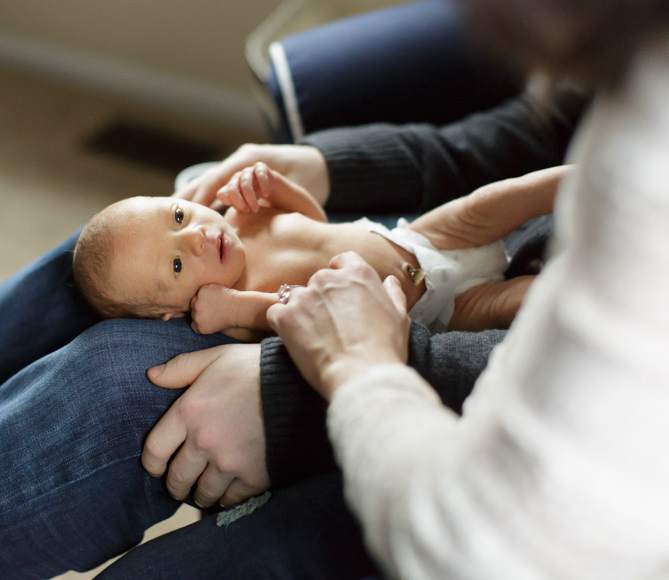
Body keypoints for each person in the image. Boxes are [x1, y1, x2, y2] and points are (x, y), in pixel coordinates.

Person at [0, 5, 589, 580]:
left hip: (502, 367)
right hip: (425, 248)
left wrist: (302, 387)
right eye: (182, 251)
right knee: (96, 254)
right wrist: (324, 170)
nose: (197, 230)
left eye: (187, 221)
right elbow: (527, 135)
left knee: (123, 383)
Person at [260, 0, 669, 578]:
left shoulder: (650, 163)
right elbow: (556, 120)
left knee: (120, 396)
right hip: (442, 270)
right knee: (96, 273)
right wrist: (329, 166)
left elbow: (477, 545)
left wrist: (353, 370)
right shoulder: (633, 75)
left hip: (441, 371)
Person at [74, 164, 569, 338]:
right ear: (171, 312)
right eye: (177, 263)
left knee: (496, 199)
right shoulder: (236, 310)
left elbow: (315, 221)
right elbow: (302, 313)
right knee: (525, 299)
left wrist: (277, 186)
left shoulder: (243, 214)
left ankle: (594, 178)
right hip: (439, 310)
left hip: (418, 239)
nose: (196, 236)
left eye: (178, 217)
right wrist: (237, 307)